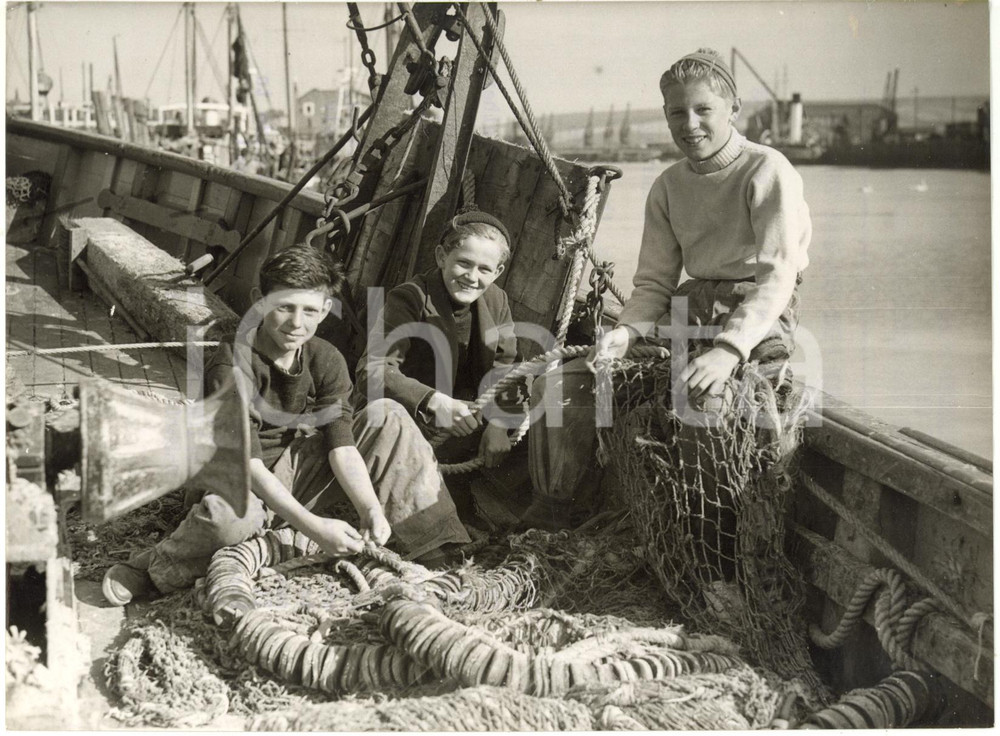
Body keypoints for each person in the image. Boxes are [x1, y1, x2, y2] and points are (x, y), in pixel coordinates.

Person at [522, 47, 811, 531]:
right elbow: (654, 282)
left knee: (703, 405)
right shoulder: (668, 185)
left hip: (754, 322)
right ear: (665, 115)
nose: (690, 124)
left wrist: (726, 351)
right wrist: (627, 333)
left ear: (733, 109)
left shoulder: (767, 170)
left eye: (704, 110)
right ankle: (556, 511)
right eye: (678, 112)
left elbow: (777, 277)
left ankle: (713, 548)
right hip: (686, 315)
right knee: (561, 384)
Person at [102, 244, 470, 605]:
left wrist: (370, 508)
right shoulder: (232, 362)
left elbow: (341, 445)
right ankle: (154, 566)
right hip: (236, 477)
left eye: (310, 310)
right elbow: (247, 464)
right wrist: (314, 527)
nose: (297, 323)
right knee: (230, 520)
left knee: (387, 415)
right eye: (284, 308)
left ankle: (438, 546)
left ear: (326, 309)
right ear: (259, 300)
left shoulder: (326, 359)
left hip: (293, 470)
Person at [354, 211, 523, 520]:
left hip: (465, 422)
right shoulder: (409, 298)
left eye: (485, 269)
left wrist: (498, 425)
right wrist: (436, 403)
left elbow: (506, 365)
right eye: (463, 263)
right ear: (442, 256)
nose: (472, 277)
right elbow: (372, 372)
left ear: (498, 271)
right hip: (412, 421)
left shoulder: (497, 301)